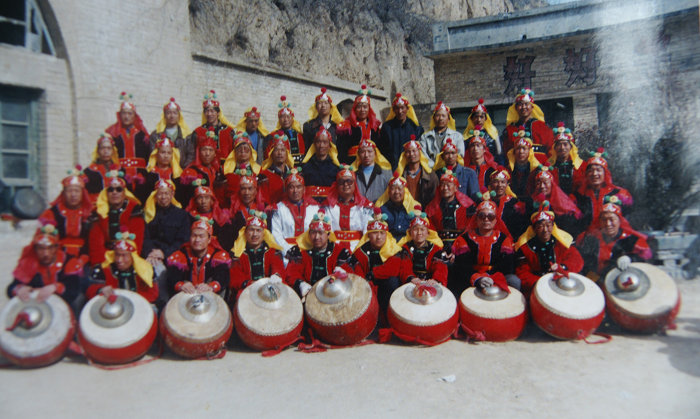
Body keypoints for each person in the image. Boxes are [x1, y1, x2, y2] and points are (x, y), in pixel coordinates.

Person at [342, 208, 415, 312]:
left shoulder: (393, 249)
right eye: (375, 233)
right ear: (368, 235)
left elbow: (393, 269)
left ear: (386, 234)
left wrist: (372, 274)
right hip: (367, 288)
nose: (379, 237)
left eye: (382, 233)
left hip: (388, 289)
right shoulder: (361, 251)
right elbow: (357, 272)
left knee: (392, 281)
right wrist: (365, 283)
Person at [451, 196, 520, 297]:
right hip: (471, 276)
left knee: (514, 280)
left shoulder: (503, 239)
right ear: (476, 219)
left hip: (496, 276)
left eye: (490, 216)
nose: (486, 219)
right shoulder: (465, 239)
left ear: (496, 220)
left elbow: (507, 267)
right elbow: (462, 265)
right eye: (482, 216)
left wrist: (489, 276)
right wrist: (477, 278)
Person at [514, 201, 584, 296]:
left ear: (553, 226)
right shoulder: (527, 248)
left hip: (561, 283)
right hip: (537, 286)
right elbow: (522, 273)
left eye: (548, 225)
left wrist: (562, 267)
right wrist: (540, 282)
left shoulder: (561, 243)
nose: (545, 230)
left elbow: (576, 260)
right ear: (534, 229)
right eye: (540, 226)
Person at [7, 225, 84, 310]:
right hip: (38, 306)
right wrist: (19, 289)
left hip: (64, 305)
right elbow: (11, 287)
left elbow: (74, 288)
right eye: (41, 248)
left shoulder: (68, 261)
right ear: (35, 248)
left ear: (56, 247)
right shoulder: (29, 263)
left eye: (50, 248)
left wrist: (55, 287)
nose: (46, 253)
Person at [576, 198, 651, 281]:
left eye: (612, 219)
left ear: (619, 221)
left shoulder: (631, 240)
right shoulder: (591, 239)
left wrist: (630, 258)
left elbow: (646, 261)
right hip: (594, 281)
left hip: (620, 282)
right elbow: (583, 263)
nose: (608, 224)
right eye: (604, 220)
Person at [284, 210, 352, 297]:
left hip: (333, 296)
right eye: (313, 232)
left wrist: (342, 274)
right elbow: (291, 273)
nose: (316, 237)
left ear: (328, 235)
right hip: (306, 295)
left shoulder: (340, 253)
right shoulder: (300, 251)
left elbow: (350, 275)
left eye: (321, 233)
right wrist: (300, 284)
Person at [141, 179, 190, 299]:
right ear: (155, 195)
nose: (163, 197)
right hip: (150, 255)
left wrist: (164, 253)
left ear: (172, 194)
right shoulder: (148, 214)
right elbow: (144, 237)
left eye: (166, 193)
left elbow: (183, 240)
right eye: (160, 194)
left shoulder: (182, 215)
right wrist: (151, 253)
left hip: (172, 255)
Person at [87, 226, 158, 305]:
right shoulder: (103, 269)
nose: (119, 260)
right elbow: (90, 291)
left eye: (124, 255)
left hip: (139, 304)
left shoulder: (146, 269)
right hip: (111, 306)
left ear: (132, 256)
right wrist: (101, 290)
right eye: (117, 255)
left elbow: (153, 294)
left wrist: (131, 299)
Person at [87, 168, 144, 265]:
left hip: (129, 257)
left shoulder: (134, 210)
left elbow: (136, 242)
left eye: (119, 189)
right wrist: (103, 265)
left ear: (124, 192)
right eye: (110, 190)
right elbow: (96, 244)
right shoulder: (99, 212)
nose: (114, 192)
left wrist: (124, 261)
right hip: (105, 258)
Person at [166, 216, 231, 299]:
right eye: (194, 236)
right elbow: (172, 276)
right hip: (186, 297)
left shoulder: (218, 256)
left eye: (201, 236)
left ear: (209, 239)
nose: (197, 240)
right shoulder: (181, 255)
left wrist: (211, 286)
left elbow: (223, 277)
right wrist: (182, 285)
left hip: (210, 297)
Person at [573, 148, 634, 232]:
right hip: (588, 236)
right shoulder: (579, 195)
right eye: (591, 171)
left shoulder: (619, 194)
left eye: (598, 170)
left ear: (605, 173)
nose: (594, 174)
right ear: (586, 174)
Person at [39, 166, 93, 257]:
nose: (73, 195)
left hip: (85, 256)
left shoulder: (89, 213)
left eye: (77, 191)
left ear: (82, 193)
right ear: (63, 193)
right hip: (58, 256)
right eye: (69, 191)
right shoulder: (53, 213)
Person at [228, 210, 285, 297]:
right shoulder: (238, 254)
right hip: (247, 292)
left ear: (264, 234)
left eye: (258, 230)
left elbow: (278, 269)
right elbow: (235, 278)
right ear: (245, 232)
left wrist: (275, 276)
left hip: (270, 290)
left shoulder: (273, 252)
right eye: (251, 230)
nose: (254, 234)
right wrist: (250, 284)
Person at [269, 169, 320, 260]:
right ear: (286, 189)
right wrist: (288, 251)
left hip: (310, 253)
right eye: (291, 187)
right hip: (287, 255)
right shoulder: (279, 209)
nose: (295, 191)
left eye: (299, 187)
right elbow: (276, 234)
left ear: (304, 189)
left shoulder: (314, 208)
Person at [323, 165, 374, 252]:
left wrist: (360, 251)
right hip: (334, 248)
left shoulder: (365, 205)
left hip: (358, 248)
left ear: (355, 184)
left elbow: (368, 232)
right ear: (337, 185)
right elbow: (326, 230)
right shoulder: (328, 205)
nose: (345, 184)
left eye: (349, 181)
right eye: (341, 181)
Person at [425, 170, 475, 253]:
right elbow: (431, 229)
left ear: (455, 188)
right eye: (442, 185)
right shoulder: (433, 207)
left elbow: (470, 228)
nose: (445, 188)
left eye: (448, 185)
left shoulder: (466, 206)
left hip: (461, 245)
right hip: (439, 245)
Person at [397, 206, 448, 286]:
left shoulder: (435, 249)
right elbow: (405, 267)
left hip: (430, 283)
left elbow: (440, 268)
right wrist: (411, 278)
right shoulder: (406, 248)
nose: (419, 233)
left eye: (422, 229)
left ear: (428, 233)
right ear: (410, 233)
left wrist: (435, 280)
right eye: (415, 229)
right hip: (411, 282)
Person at [104, 92, 150, 176]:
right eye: (124, 113)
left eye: (130, 113)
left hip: (140, 175)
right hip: (119, 174)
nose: (126, 116)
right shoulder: (114, 134)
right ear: (120, 115)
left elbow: (148, 156)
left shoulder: (142, 135)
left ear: (134, 116)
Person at [528, 168, 583, 237]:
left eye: (545, 183)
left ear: (552, 184)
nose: (542, 186)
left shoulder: (563, 202)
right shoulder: (531, 201)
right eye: (538, 183)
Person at [501, 88, 554, 160]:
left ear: (532, 107)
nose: (523, 107)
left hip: (540, 162)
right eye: (520, 104)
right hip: (518, 164)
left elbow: (550, 149)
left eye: (526, 104)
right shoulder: (510, 129)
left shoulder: (542, 126)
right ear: (516, 108)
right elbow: (506, 151)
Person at [185, 180, 235, 252]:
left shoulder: (220, 216)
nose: (203, 201)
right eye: (200, 198)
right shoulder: (190, 217)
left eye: (207, 198)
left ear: (212, 200)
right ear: (195, 201)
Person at [336, 84, 381, 164]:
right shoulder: (347, 126)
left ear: (369, 109)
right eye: (359, 107)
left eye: (365, 107)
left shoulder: (374, 127)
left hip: (371, 162)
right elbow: (341, 149)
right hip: (351, 162)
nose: (362, 110)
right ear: (355, 109)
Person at [179, 129, 224, 206]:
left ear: (215, 154)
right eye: (204, 150)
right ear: (198, 152)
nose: (207, 153)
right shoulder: (191, 171)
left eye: (211, 150)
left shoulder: (216, 171)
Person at [189, 90, 234, 166]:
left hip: (225, 168)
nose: (209, 114)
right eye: (207, 111)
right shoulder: (198, 132)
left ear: (218, 113)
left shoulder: (228, 131)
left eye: (212, 111)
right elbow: (192, 154)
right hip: (204, 167)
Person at [379, 93, 424, 168]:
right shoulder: (387, 127)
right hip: (392, 167)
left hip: (410, 168)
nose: (400, 111)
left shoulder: (416, 127)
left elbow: (420, 151)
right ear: (393, 110)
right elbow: (382, 150)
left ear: (407, 108)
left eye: (402, 108)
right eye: (397, 108)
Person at [135, 135, 183, 203]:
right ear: (156, 154)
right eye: (163, 152)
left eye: (169, 153)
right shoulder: (148, 174)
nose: (166, 156)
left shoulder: (178, 175)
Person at [149, 97, 194, 168]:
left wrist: (183, 170)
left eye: (175, 113)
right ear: (164, 116)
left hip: (182, 171)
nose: (172, 116)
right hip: (162, 170)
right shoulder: (156, 135)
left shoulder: (187, 135)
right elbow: (153, 156)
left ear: (179, 116)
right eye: (169, 113)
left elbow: (191, 155)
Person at [375, 172, 420, 241]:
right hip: (388, 243)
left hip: (408, 243)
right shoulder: (382, 209)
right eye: (393, 189)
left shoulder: (414, 208)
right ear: (388, 192)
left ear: (405, 191)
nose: (396, 192)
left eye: (399, 189)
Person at [488, 167, 530, 240]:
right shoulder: (486, 203)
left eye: (503, 182)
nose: (499, 185)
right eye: (496, 182)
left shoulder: (515, 203)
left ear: (507, 184)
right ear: (491, 184)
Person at [419, 101, 465, 168]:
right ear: (433, 118)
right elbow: (423, 156)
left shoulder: (457, 136)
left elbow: (460, 155)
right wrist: (435, 168)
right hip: (431, 170)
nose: (440, 118)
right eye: (438, 116)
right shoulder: (425, 137)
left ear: (448, 119)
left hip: (451, 169)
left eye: (443, 116)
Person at [397, 135, 438, 208]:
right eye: (408, 152)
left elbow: (435, 198)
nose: (411, 154)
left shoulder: (431, 176)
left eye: (414, 151)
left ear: (420, 153)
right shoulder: (400, 175)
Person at [301, 126, 341, 202]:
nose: (321, 145)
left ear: (330, 146)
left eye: (325, 142)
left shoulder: (335, 168)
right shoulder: (306, 167)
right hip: (310, 204)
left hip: (329, 204)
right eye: (318, 142)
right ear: (314, 144)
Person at [433, 137, 479, 201]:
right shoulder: (437, 174)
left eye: (453, 153)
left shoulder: (469, 173)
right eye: (447, 153)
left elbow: (474, 196)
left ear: (457, 155)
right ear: (442, 157)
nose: (450, 156)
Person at [506, 126, 546, 197]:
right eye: (518, 148)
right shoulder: (508, 169)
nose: (521, 151)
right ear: (514, 151)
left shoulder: (536, 169)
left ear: (529, 151)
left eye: (524, 148)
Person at [223, 131, 262, 202]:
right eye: (239, 149)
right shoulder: (227, 169)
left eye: (246, 149)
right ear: (234, 152)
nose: (243, 151)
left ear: (251, 152)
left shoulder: (258, 170)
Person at [267, 95, 305, 166]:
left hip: (301, 168)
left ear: (292, 118)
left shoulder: (300, 135)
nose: (285, 119)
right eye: (282, 117)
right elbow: (268, 155)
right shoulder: (273, 136)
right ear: (279, 119)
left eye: (288, 116)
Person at [229, 172, 268, 241]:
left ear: (256, 191)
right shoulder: (233, 210)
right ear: (239, 191)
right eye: (243, 189)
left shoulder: (264, 208)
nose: (246, 193)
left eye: (250, 189)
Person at [352, 138, 393, 203]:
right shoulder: (353, 174)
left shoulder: (386, 174)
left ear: (375, 153)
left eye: (369, 151)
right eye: (362, 152)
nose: (366, 155)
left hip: (380, 208)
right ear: (358, 154)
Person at [84, 133, 122, 202]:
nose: (106, 151)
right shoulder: (89, 171)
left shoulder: (120, 170)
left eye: (109, 148)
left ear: (113, 151)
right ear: (98, 151)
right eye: (102, 148)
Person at [547, 122, 583, 194]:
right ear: (554, 148)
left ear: (571, 147)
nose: (562, 148)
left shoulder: (581, 165)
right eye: (559, 145)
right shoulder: (549, 166)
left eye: (565, 144)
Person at [258, 133, 295, 204]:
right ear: (271, 154)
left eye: (283, 150)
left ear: (287, 153)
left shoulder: (292, 174)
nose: (279, 153)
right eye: (276, 150)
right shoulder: (265, 176)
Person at [464, 98, 503, 164]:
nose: (479, 120)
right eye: (476, 117)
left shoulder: (492, 133)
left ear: (485, 119)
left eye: (481, 117)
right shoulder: (467, 134)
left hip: (490, 165)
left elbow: (499, 153)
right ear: (472, 119)